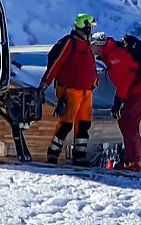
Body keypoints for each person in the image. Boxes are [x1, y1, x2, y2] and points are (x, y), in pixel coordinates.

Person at [39, 14, 99, 166]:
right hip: (70, 91)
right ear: (86, 27)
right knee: (66, 124)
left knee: (84, 125)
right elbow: (57, 63)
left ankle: (79, 156)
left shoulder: (85, 44)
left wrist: (94, 81)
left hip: (86, 91)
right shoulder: (70, 43)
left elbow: (90, 66)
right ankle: (53, 154)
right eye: (91, 27)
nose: (92, 30)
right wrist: (45, 82)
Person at [92, 32, 141, 171]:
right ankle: (140, 160)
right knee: (128, 123)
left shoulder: (114, 55)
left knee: (128, 123)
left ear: (99, 45)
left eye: (93, 46)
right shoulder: (110, 54)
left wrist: (118, 101)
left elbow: (125, 79)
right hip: (137, 89)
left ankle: (133, 161)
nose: (91, 49)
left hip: (140, 89)